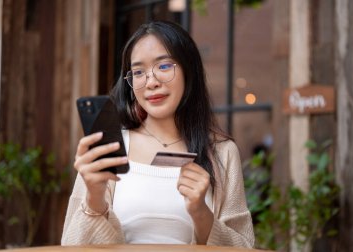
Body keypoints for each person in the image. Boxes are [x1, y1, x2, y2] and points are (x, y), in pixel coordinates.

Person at [61, 20, 254, 248]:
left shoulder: (221, 152)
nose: (151, 82)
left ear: (189, 71)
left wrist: (201, 212)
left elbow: (243, 247)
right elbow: (70, 246)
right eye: (138, 72)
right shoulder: (111, 149)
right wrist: (94, 199)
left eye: (164, 66)